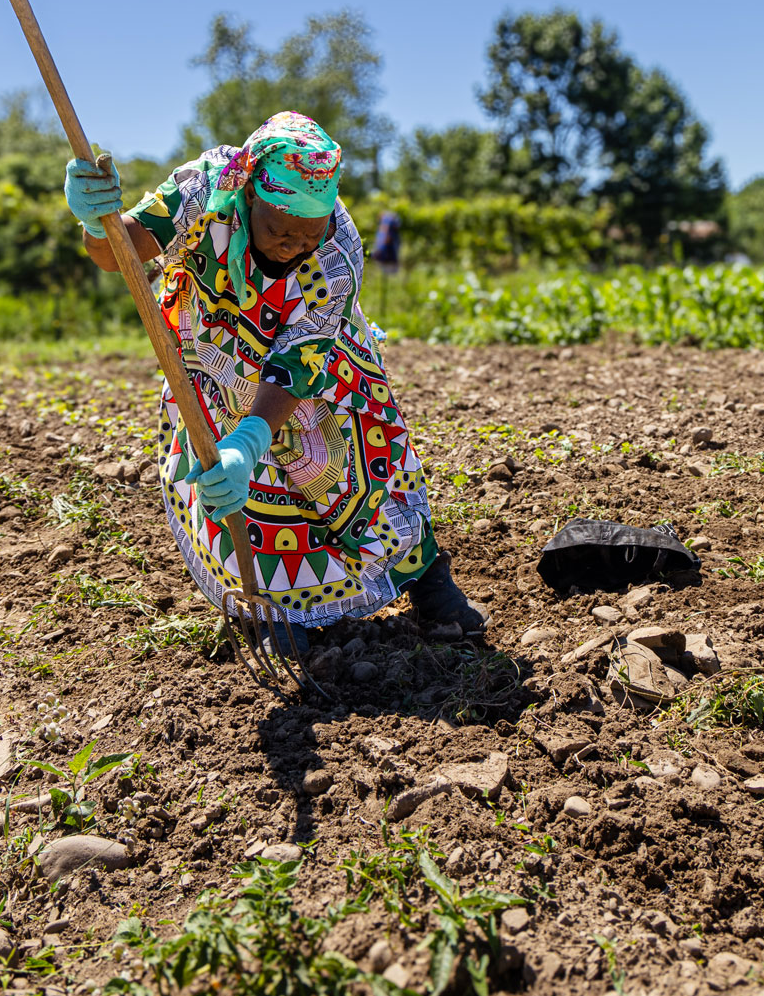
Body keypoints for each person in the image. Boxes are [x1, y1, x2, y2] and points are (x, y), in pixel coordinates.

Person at [65, 111, 485, 643]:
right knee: (244, 490)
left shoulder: (337, 252)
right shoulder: (208, 188)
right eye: (279, 230)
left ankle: (428, 581)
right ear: (250, 196)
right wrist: (94, 219)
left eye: (306, 235)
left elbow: (297, 365)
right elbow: (119, 250)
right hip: (214, 358)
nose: (293, 246)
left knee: (357, 467)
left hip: (319, 370)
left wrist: (252, 437)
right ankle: (272, 610)